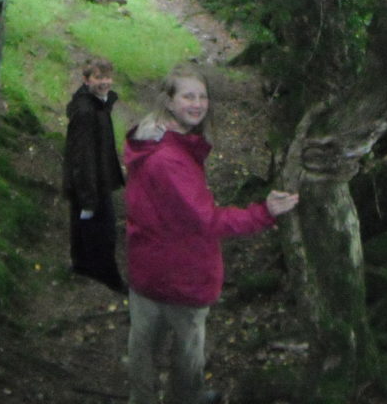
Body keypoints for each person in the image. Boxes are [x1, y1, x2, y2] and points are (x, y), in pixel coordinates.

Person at [123, 62, 299, 404]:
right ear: (169, 102)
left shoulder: (151, 142)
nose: (198, 104)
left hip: (148, 268)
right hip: (181, 275)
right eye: (188, 96)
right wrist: (264, 212)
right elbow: (207, 221)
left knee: (143, 348)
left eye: (202, 96)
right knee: (187, 355)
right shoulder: (169, 159)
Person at [62, 55, 127, 293]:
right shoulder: (86, 112)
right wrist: (88, 196)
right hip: (90, 182)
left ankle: (82, 266)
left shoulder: (99, 104)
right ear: (86, 80)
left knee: (84, 226)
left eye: (108, 77)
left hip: (94, 178)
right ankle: (107, 275)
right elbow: (82, 157)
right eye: (99, 77)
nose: (105, 82)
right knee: (104, 229)